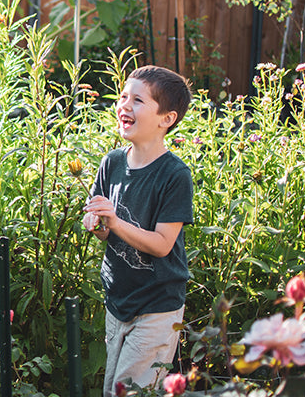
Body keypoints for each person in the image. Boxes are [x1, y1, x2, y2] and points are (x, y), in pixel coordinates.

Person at [82, 65, 193, 396]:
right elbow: (104, 229)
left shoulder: (174, 175)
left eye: (138, 100)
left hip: (157, 306)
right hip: (118, 299)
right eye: (123, 96)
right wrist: (97, 223)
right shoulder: (112, 163)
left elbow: (161, 245)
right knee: (113, 389)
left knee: (130, 392)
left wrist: (114, 221)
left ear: (166, 119)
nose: (124, 106)